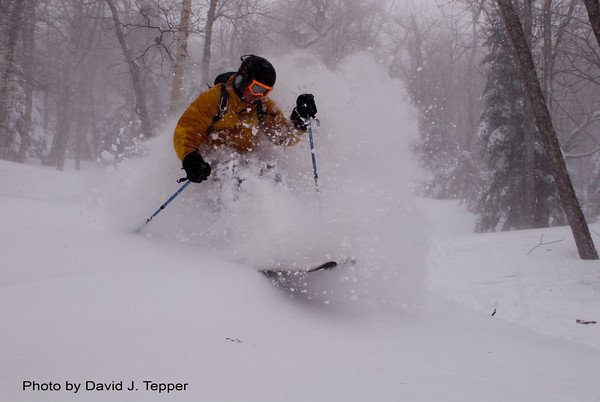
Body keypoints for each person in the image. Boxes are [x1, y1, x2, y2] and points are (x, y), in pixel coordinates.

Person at [173, 54, 318, 183]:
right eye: (256, 88)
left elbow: (282, 137)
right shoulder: (215, 98)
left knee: (275, 176)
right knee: (232, 176)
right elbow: (187, 129)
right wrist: (190, 158)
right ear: (242, 79)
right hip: (217, 162)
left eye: (265, 92)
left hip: (248, 162)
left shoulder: (262, 106)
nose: (259, 95)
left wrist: (299, 120)